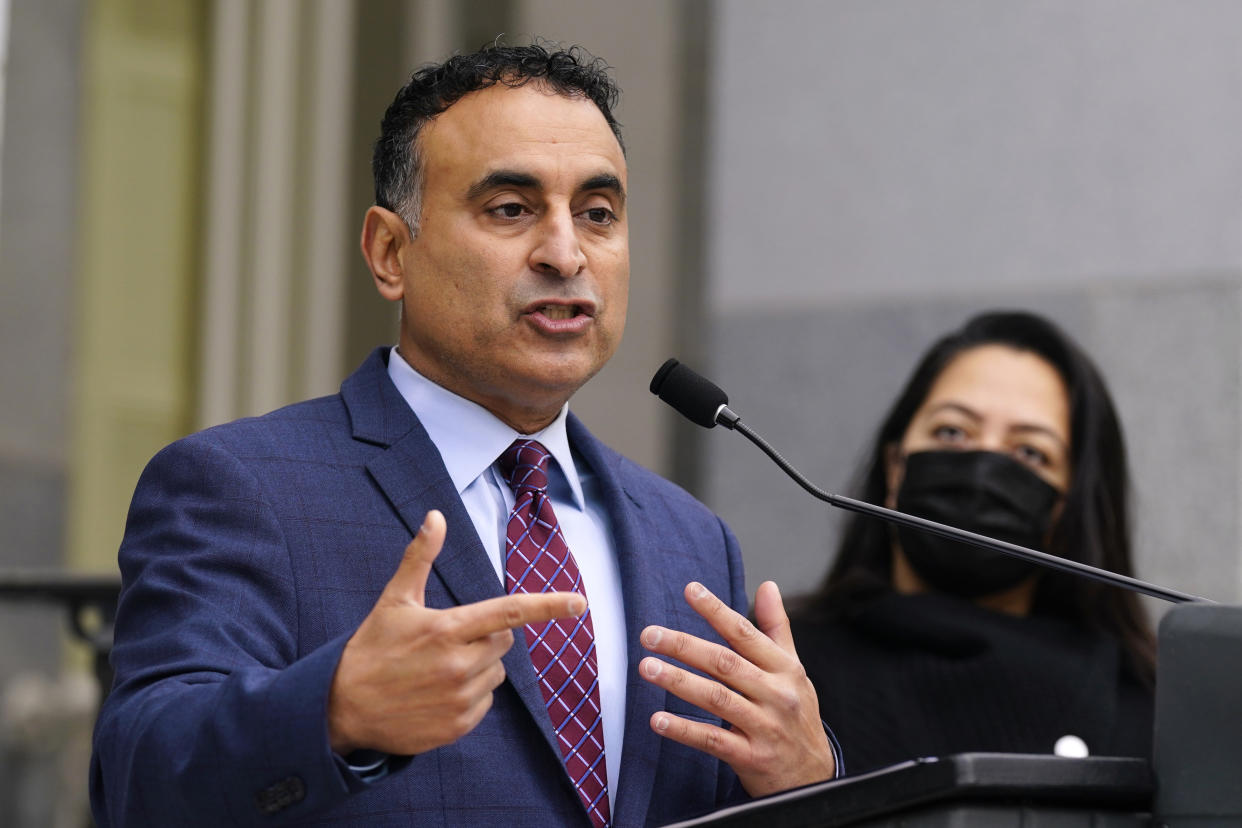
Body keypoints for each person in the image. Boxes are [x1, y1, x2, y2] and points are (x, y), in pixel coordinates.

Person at [89, 42, 838, 828]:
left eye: (598, 213)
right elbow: (142, 775)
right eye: (511, 209)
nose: (565, 253)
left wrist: (809, 775)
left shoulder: (691, 538)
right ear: (389, 252)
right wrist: (334, 710)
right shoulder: (244, 486)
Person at [790, 310, 1155, 775]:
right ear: (895, 466)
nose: (983, 469)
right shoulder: (784, 670)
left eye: (1029, 452)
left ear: (1070, 505)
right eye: (952, 431)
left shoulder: (1151, 712)